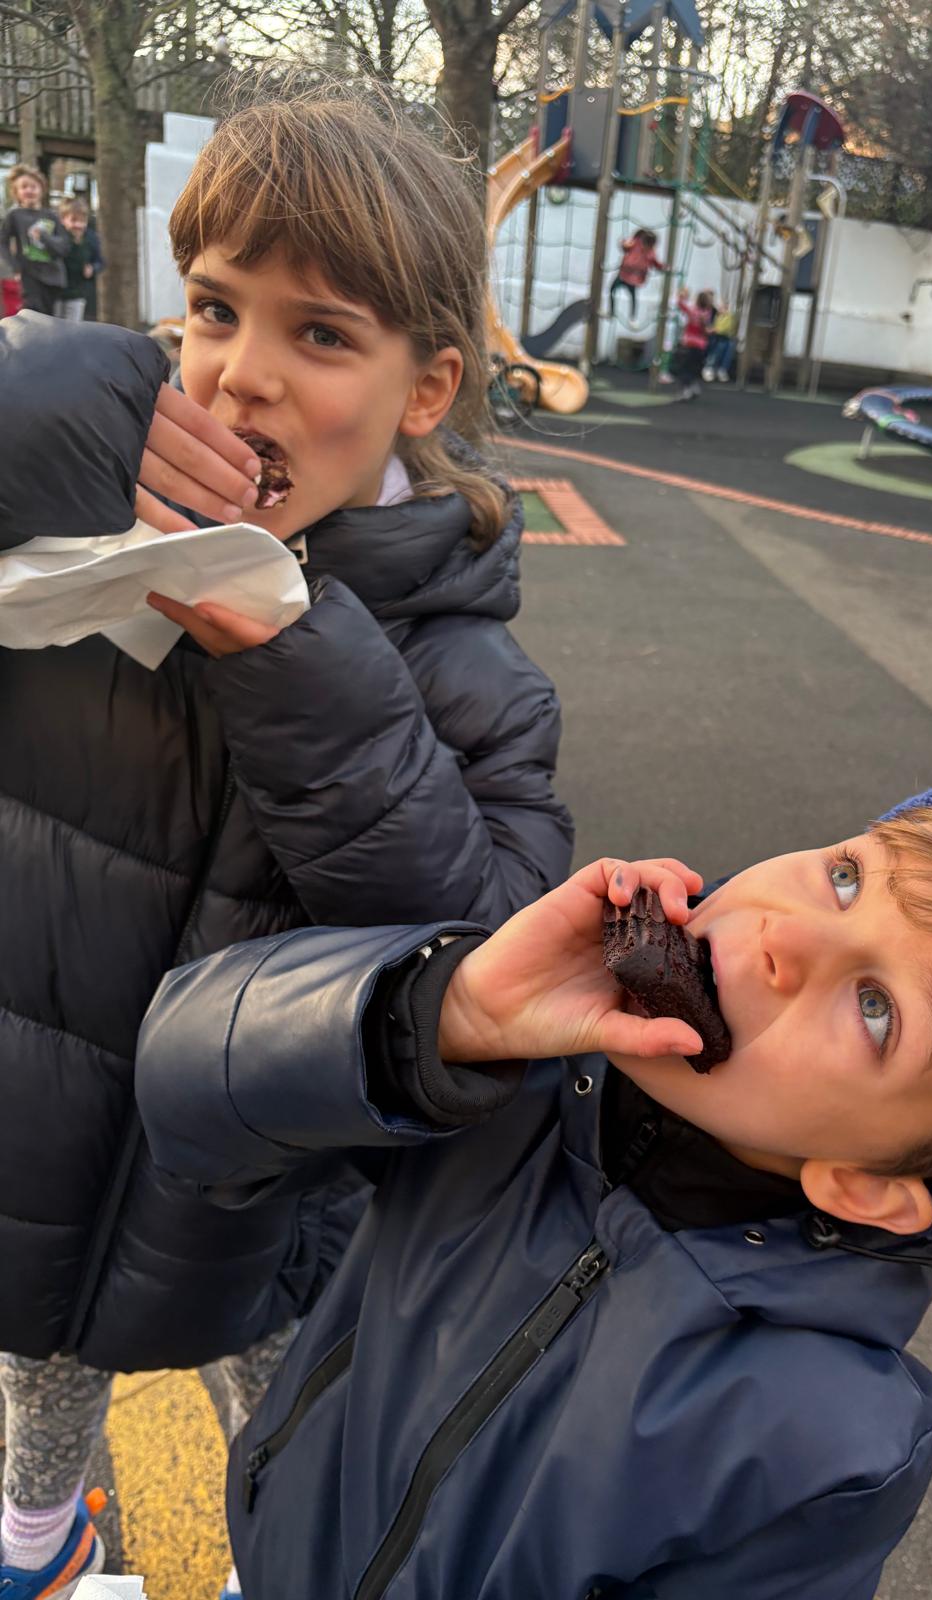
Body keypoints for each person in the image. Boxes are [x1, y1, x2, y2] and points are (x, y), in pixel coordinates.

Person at [134, 779, 932, 1600]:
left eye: (876, 1008)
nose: (783, 937)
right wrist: (447, 1013)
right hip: (267, 1550)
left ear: (869, 1186)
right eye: (846, 877)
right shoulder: (507, 1084)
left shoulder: (824, 1448)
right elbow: (184, 1099)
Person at [0, 77, 574, 1600]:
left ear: (427, 387)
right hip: (31, 1139)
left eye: (320, 334)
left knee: (294, 1443)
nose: (241, 376)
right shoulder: (67, 550)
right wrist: (26, 423)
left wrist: (296, 657)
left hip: (261, 1210)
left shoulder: (468, 672)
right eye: (213, 309)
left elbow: (485, 952)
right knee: (35, 1373)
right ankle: (39, 1546)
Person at [2, 165, 69, 316]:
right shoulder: (14, 216)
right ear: (16, 192)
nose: (29, 190)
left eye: (33, 186)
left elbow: (63, 247)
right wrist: (15, 266)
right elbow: (2, 242)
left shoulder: (51, 216)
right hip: (29, 275)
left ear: (42, 189)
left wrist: (44, 236)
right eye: (24, 187)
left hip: (53, 277)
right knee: (32, 314)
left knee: (50, 318)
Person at [55, 200, 104, 322]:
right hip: (56, 293)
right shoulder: (58, 237)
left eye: (82, 221)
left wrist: (92, 268)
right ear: (63, 219)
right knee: (55, 324)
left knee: (73, 325)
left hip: (77, 293)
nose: (78, 225)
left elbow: (100, 261)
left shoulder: (91, 239)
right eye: (73, 220)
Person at [608, 227, 665, 319]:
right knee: (612, 290)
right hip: (624, 275)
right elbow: (625, 246)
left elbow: (656, 263)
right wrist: (623, 243)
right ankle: (612, 312)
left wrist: (663, 267)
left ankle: (632, 317)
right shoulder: (636, 243)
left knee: (632, 296)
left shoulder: (651, 252)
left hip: (633, 278)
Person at [671, 287, 715, 400]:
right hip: (701, 345)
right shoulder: (707, 313)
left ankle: (686, 390)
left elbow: (681, 305)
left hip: (690, 343)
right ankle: (693, 386)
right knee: (694, 367)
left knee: (685, 368)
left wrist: (682, 296)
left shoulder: (693, 311)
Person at [703, 301, 736, 383]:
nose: (720, 309)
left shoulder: (729, 317)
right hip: (717, 337)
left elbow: (726, 328)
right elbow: (715, 327)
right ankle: (710, 368)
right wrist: (713, 330)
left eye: (723, 308)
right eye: (720, 308)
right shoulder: (717, 316)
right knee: (718, 348)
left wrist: (714, 330)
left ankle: (720, 370)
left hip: (724, 337)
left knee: (725, 347)